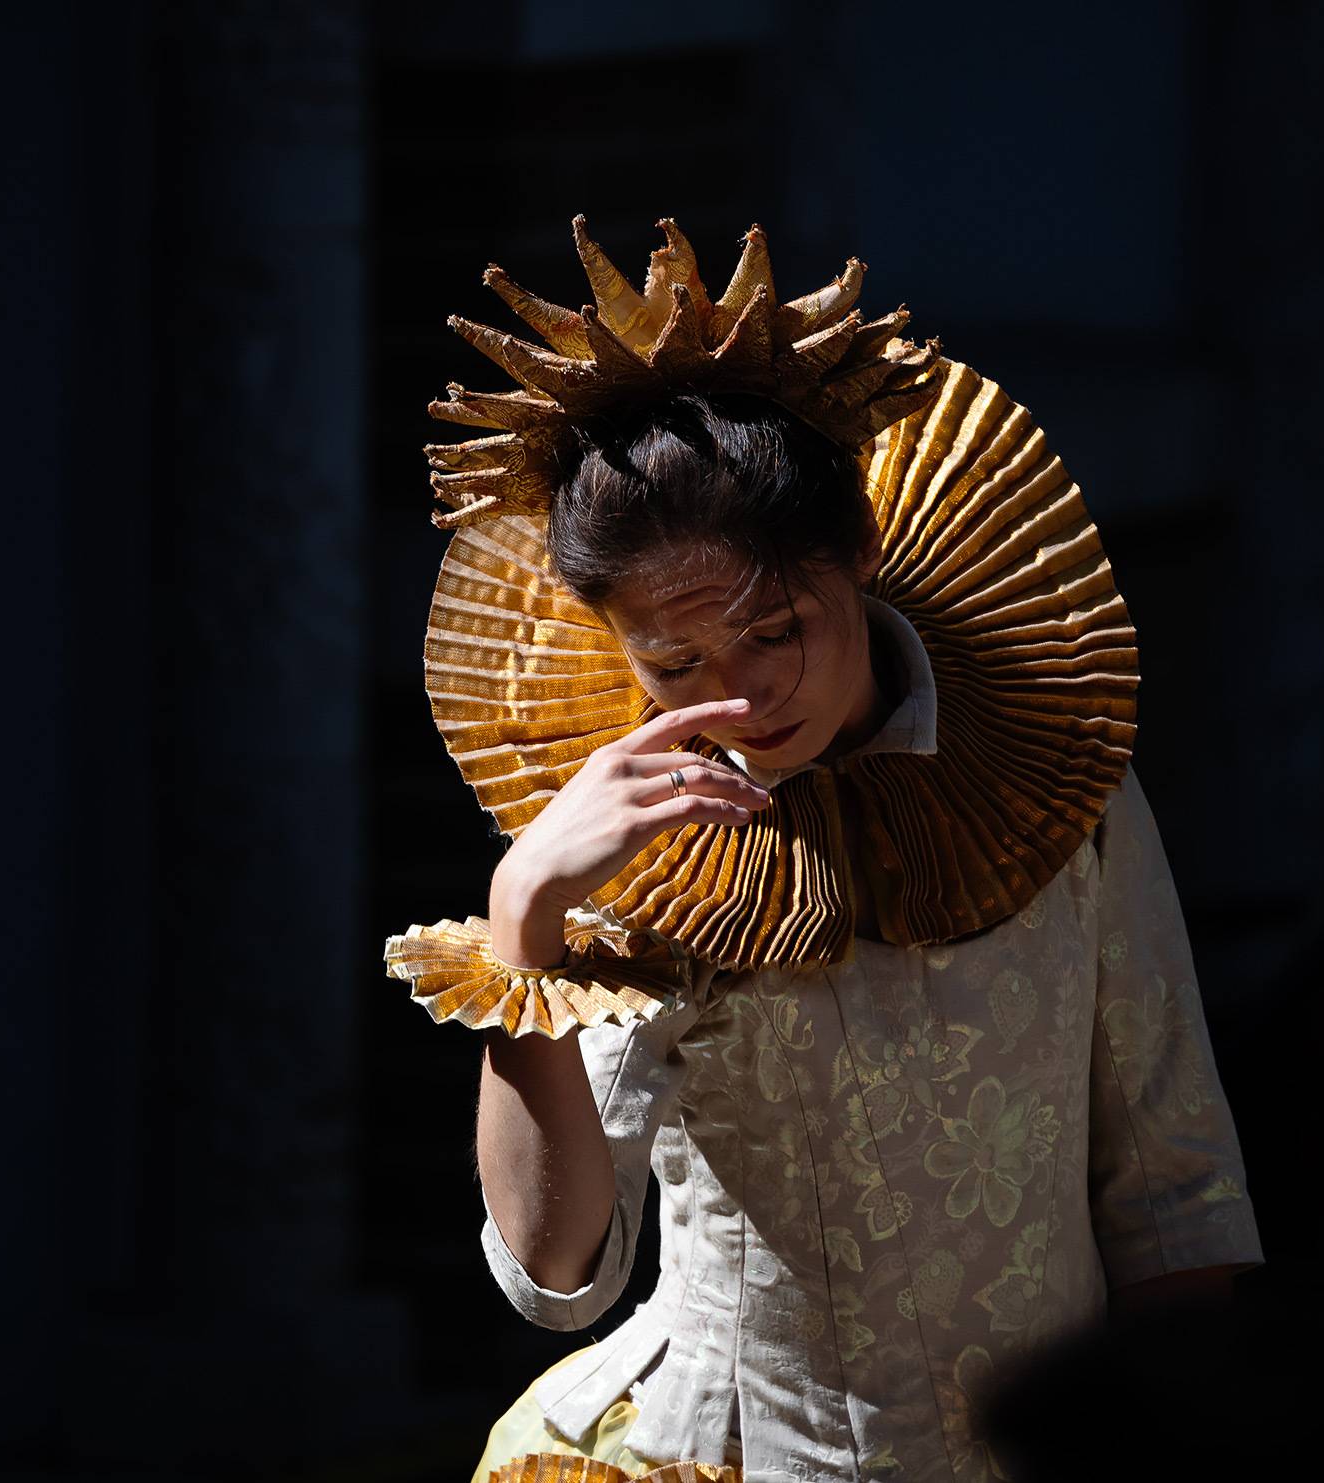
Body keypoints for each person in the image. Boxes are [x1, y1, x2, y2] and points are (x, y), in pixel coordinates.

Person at [383, 217, 1264, 1483]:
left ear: (858, 549)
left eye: (776, 629)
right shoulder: (642, 855)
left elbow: (1174, 1188)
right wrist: (525, 917)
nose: (740, 698)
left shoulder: (1057, 773)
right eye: (675, 663)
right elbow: (558, 1271)